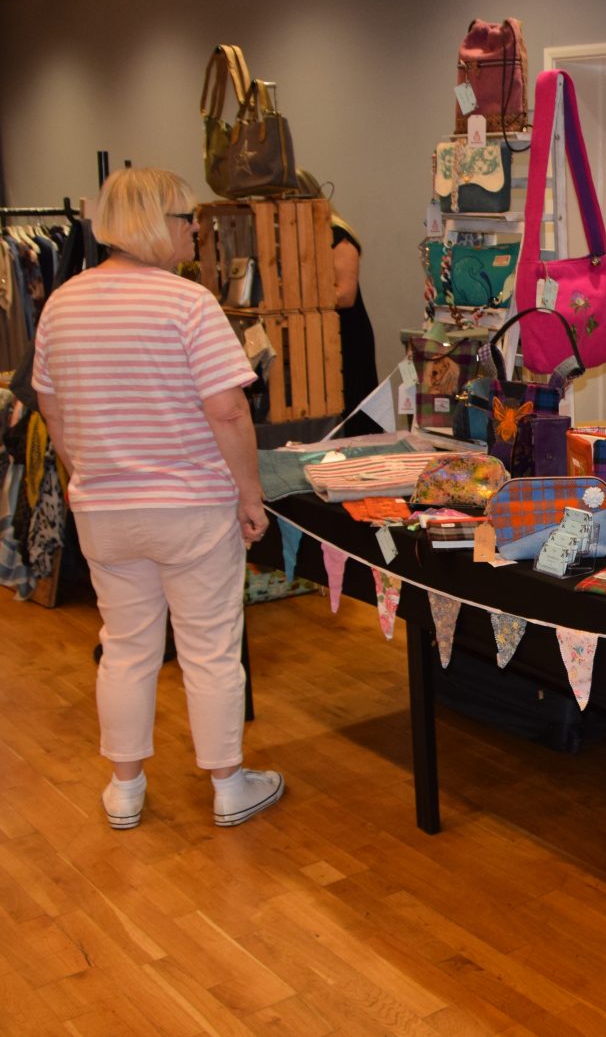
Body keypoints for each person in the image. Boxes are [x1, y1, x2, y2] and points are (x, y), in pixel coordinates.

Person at [33, 167, 285, 829]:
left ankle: (125, 788)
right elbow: (227, 410)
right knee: (209, 648)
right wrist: (250, 494)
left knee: (125, 647)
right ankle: (228, 786)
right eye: (185, 218)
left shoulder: (62, 304)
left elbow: (53, 410)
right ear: (153, 223)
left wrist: (86, 473)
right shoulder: (187, 303)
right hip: (190, 505)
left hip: (104, 510)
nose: (194, 228)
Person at [297, 169, 378, 416]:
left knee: (353, 409)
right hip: (319, 336)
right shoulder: (300, 236)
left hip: (346, 336)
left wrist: (297, 298)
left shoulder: (338, 236)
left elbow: (345, 295)